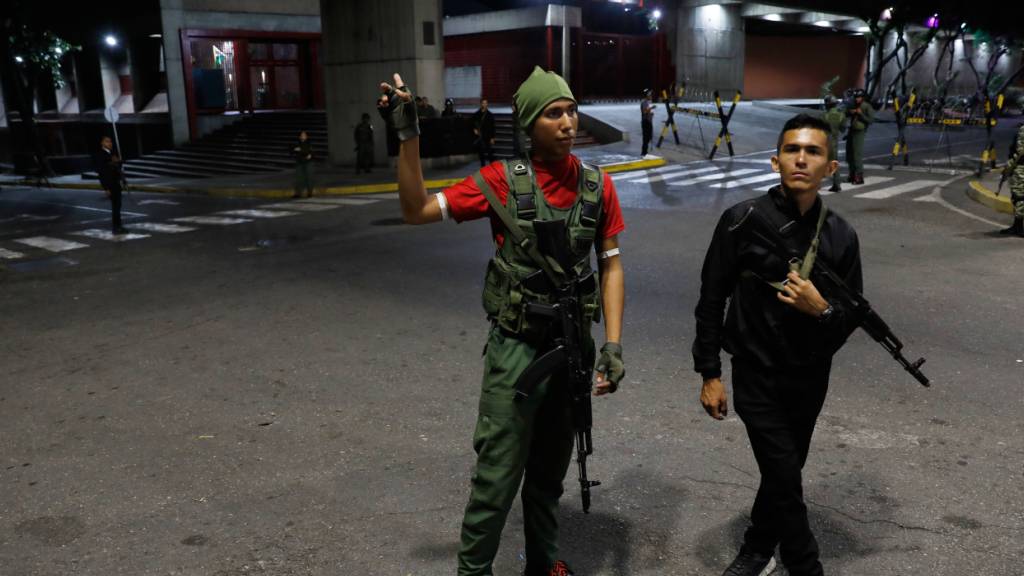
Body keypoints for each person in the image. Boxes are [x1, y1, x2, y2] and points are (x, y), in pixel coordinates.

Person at [377, 66, 626, 576]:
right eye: (552, 113)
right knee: (496, 479)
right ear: (530, 126)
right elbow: (415, 209)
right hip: (517, 350)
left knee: (548, 479)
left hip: (572, 349)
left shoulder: (599, 187)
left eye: (570, 110)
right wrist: (408, 135)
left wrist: (613, 346)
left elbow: (611, 266)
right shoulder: (499, 183)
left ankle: (543, 564)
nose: (567, 121)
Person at [693, 113, 863, 576]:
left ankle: (758, 545)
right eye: (792, 150)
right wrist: (710, 373)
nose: (801, 159)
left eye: (813, 152)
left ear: (830, 168)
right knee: (785, 473)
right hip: (756, 372)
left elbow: (849, 318)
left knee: (782, 474)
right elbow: (711, 299)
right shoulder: (742, 220)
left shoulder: (842, 236)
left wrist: (820, 309)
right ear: (775, 160)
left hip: (809, 376)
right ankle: (805, 564)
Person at [94, 136, 126, 234]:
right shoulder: (101, 155)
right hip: (110, 184)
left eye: (111, 142)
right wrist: (106, 188)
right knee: (115, 206)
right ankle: (116, 228)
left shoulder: (112, 154)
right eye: (107, 142)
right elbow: (102, 173)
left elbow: (116, 168)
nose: (110, 143)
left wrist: (119, 162)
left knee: (118, 206)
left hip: (116, 183)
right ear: (102, 143)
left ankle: (119, 226)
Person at [999, 122, 1024, 237]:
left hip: (1021, 168)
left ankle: (1019, 228)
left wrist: (1009, 167)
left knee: (1019, 198)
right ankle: (1017, 226)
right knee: (1017, 197)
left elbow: (1019, 152)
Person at [845, 89, 873, 185]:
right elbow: (846, 113)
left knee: (857, 155)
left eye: (859, 97)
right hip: (851, 131)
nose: (857, 99)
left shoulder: (866, 106)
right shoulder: (853, 105)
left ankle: (859, 177)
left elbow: (871, 120)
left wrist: (861, 114)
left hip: (859, 132)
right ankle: (852, 174)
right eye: (856, 97)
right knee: (849, 154)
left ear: (863, 97)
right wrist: (850, 112)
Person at [822, 96, 846, 193]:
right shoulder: (841, 115)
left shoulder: (824, 116)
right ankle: (837, 184)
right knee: (834, 163)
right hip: (834, 141)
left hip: (825, 142)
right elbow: (843, 129)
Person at [472, 98, 496, 167]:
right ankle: (483, 167)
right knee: (481, 153)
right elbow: (471, 122)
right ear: (481, 104)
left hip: (488, 136)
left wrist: (493, 137)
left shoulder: (490, 115)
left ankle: (492, 167)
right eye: (483, 103)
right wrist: (474, 129)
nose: (484, 105)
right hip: (480, 136)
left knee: (490, 153)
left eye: (486, 103)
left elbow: (492, 127)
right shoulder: (477, 114)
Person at [293, 131, 314, 198]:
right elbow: (291, 150)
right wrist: (295, 149)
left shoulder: (309, 143)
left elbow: (309, 151)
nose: (303, 136)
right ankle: (298, 193)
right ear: (299, 136)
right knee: (299, 178)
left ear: (307, 136)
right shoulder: (297, 143)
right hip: (299, 162)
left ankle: (309, 192)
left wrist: (301, 150)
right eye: (302, 135)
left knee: (309, 177)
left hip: (308, 162)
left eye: (304, 135)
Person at [640, 88, 655, 157]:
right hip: (645, 122)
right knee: (646, 138)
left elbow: (648, 111)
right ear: (646, 95)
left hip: (649, 121)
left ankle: (645, 151)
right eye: (649, 94)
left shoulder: (649, 102)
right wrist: (651, 108)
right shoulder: (644, 102)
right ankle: (644, 152)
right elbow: (644, 111)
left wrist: (651, 113)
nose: (651, 95)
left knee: (649, 137)